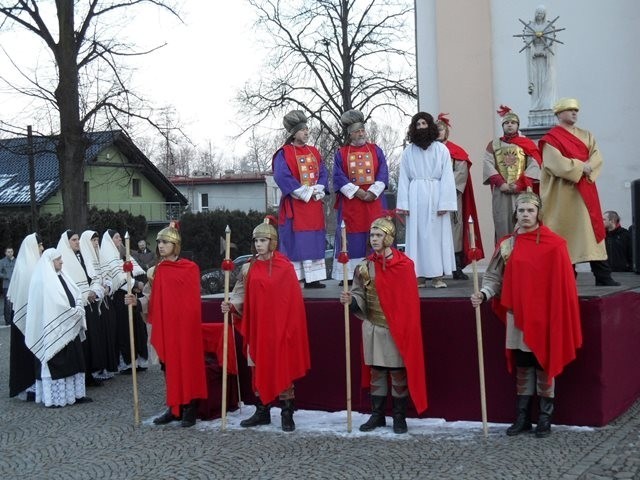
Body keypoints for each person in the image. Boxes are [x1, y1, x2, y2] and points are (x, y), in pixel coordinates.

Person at [470, 190, 582, 438]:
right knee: (523, 365)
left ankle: (544, 418)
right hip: (517, 316)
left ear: (538, 213)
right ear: (515, 214)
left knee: (543, 363)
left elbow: (564, 285)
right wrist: (485, 293)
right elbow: (493, 277)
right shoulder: (507, 244)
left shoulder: (555, 245)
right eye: (521, 210)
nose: (525, 215)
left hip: (546, 317)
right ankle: (522, 418)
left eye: (530, 210)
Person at [221, 218, 310, 432]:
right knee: (258, 367)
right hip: (257, 326)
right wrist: (231, 305)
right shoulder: (247, 268)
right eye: (256, 240)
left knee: (282, 366)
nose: (258, 244)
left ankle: (287, 412)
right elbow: (240, 292)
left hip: (280, 328)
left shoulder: (285, 267)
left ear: (273, 242)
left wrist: (289, 328)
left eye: (263, 240)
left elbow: (293, 301)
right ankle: (262, 411)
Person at [339, 216, 427, 434]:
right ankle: (377, 415)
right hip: (373, 326)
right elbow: (359, 291)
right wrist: (351, 300)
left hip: (396, 328)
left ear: (389, 237)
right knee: (376, 372)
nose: (374, 239)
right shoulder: (364, 266)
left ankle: (399, 417)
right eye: (372, 235)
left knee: (397, 372)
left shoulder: (404, 265)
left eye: (379, 235)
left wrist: (403, 325)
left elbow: (408, 301)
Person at [125, 224, 207, 427]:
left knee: (187, 365)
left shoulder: (190, 268)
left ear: (175, 245)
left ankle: (189, 407)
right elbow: (151, 298)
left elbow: (192, 300)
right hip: (167, 325)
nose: (160, 246)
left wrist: (185, 320)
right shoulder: (157, 270)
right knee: (168, 365)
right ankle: (174, 406)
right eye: (159, 242)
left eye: (165, 242)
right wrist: (137, 302)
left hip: (186, 327)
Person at [539, 98, 620, 286]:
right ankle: (568, 278)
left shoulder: (587, 135)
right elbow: (555, 164)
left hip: (586, 191)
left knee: (592, 231)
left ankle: (603, 276)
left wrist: (588, 168)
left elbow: (597, 156)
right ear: (559, 114)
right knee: (565, 233)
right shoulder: (551, 139)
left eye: (576, 110)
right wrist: (580, 167)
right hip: (562, 195)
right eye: (569, 110)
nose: (574, 113)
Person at [397, 112, 457, 289]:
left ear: (429, 126)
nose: (421, 127)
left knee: (436, 236)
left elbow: (447, 177)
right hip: (415, 196)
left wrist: (445, 203)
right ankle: (419, 275)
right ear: (414, 128)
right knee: (417, 237)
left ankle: (438, 275)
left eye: (424, 123)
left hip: (436, 194)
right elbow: (404, 178)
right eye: (418, 124)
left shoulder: (441, 150)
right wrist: (404, 204)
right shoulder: (408, 152)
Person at [25, 248, 92, 408]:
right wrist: (72, 312)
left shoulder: (63, 276)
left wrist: (77, 308)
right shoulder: (41, 280)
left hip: (70, 327)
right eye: (58, 259)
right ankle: (57, 398)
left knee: (74, 360)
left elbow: (75, 293)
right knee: (57, 360)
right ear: (50, 262)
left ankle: (76, 394)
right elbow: (51, 306)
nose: (62, 261)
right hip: (54, 329)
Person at [272, 110, 328, 289]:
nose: (307, 132)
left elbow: (323, 172)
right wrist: (304, 192)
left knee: (313, 240)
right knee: (297, 242)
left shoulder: (314, 151)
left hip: (313, 205)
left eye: (307, 129)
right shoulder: (284, 153)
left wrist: (317, 189)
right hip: (296, 206)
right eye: (303, 129)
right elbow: (282, 176)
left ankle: (314, 278)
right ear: (294, 132)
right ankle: (296, 277)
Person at [332, 109, 389, 283]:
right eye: (357, 131)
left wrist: (373, 191)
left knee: (376, 232)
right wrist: (357, 191)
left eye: (363, 130)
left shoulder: (375, 150)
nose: (361, 133)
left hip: (374, 201)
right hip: (352, 204)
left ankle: (378, 269)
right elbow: (338, 176)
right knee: (350, 237)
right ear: (350, 134)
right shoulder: (341, 153)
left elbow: (383, 171)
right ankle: (349, 274)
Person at [435, 113, 485, 281]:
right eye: (435, 129)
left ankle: (456, 266)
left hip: (452, 197)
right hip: (432, 199)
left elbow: (461, 172)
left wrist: (444, 190)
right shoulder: (427, 151)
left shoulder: (456, 151)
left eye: (441, 129)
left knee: (454, 231)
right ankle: (435, 268)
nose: (438, 132)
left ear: (446, 131)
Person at [483, 105, 542, 243]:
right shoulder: (494, 144)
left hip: (522, 191)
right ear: (503, 126)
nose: (510, 125)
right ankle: (503, 258)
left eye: (513, 123)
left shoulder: (527, 144)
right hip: (501, 191)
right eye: (507, 123)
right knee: (502, 223)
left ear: (518, 125)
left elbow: (535, 164)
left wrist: (519, 184)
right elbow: (488, 163)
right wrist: (500, 183)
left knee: (524, 222)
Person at [57, 230, 107, 386]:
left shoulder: (82, 257)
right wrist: (85, 295)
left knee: (92, 340)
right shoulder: (62, 261)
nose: (77, 242)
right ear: (67, 242)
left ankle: (91, 373)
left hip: (90, 305)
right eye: (74, 240)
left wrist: (94, 290)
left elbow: (92, 276)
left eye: (78, 239)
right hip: (77, 307)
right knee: (81, 343)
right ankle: (82, 376)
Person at [100, 229, 148, 372]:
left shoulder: (123, 254)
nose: (120, 240)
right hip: (120, 299)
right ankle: (127, 362)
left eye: (120, 237)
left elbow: (136, 271)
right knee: (125, 330)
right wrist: (134, 284)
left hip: (132, 296)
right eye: (116, 238)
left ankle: (139, 360)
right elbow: (117, 278)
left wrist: (139, 284)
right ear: (110, 241)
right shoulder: (107, 256)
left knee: (138, 328)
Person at [8, 233, 43, 400]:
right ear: (31, 247)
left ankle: (34, 385)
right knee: (24, 353)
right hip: (24, 317)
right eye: (39, 245)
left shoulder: (36, 265)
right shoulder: (24, 268)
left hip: (34, 317)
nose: (42, 248)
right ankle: (25, 386)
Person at [80, 230, 118, 379]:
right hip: (93, 303)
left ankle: (107, 366)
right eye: (93, 240)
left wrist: (108, 286)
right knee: (96, 336)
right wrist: (98, 290)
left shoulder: (99, 255)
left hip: (105, 301)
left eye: (97, 240)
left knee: (108, 334)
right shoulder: (85, 258)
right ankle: (97, 369)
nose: (96, 243)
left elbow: (107, 273)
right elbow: (89, 279)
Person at [0, 246, 16, 325]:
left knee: (14, 303)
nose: (10, 253)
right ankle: (7, 320)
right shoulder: (2, 262)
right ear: (5, 253)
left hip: (15, 285)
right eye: (8, 252)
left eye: (11, 252)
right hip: (6, 285)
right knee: (7, 303)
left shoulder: (16, 261)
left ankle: (14, 319)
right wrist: (6, 276)